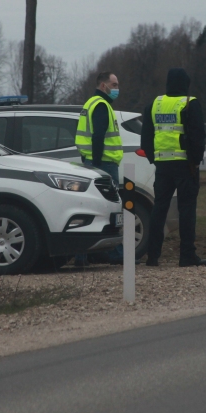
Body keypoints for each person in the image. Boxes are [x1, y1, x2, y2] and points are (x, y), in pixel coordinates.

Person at [140, 68, 206, 267]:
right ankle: (187, 255)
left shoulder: (155, 104)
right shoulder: (190, 103)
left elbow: (146, 138)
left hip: (163, 166)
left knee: (159, 209)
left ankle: (153, 256)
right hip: (186, 166)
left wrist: (154, 159)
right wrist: (196, 161)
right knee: (186, 210)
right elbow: (198, 136)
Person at [74, 71, 127, 266]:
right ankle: (115, 253)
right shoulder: (101, 105)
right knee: (111, 208)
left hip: (93, 161)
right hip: (104, 164)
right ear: (103, 86)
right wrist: (97, 166)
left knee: (91, 208)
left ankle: (84, 255)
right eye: (114, 85)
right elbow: (97, 137)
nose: (117, 89)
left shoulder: (90, 103)